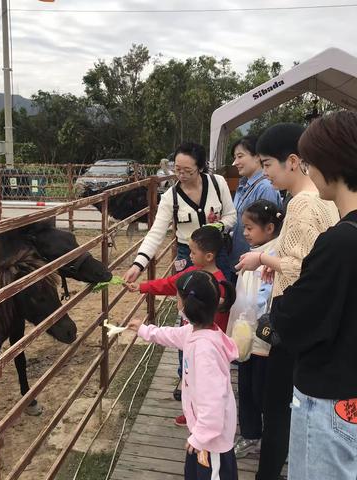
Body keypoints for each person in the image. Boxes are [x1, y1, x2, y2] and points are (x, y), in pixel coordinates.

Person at [235, 123, 340, 480]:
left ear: (292, 161)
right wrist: (276, 264)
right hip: (317, 324)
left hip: (291, 322)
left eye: (267, 164)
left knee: (275, 408)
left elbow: (299, 268)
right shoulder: (325, 203)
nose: (265, 173)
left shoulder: (300, 205)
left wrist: (264, 260)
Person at [269, 111, 357, 480]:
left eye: (309, 161)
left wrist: (279, 306)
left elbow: (292, 319)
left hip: (329, 399)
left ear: (329, 162)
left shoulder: (341, 242)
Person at [127, 270, 238, 480]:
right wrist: (144, 330)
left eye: (177, 298)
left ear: (188, 305)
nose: (177, 303)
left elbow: (213, 402)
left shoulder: (205, 352)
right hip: (201, 433)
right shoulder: (195, 332)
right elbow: (169, 335)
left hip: (212, 442)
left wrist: (200, 437)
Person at [123, 141, 236, 283]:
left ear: (200, 167)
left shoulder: (218, 183)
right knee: (189, 298)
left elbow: (231, 216)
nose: (181, 175)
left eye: (188, 171)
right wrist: (138, 265)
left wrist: (217, 226)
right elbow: (155, 233)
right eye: (177, 169)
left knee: (221, 297)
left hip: (216, 254)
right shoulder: (170, 197)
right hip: (188, 256)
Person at [229, 199, 283, 459]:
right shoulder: (253, 254)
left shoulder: (275, 255)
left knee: (263, 392)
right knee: (247, 388)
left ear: (270, 228)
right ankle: (250, 435)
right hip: (244, 335)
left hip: (264, 340)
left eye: (250, 228)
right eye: (244, 228)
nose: (245, 233)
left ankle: (273, 440)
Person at [229, 136, 282, 284]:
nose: (236, 162)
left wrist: (262, 260)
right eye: (234, 157)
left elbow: (268, 232)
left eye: (240, 156)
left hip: (257, 268)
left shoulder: (265, 187)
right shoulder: (244, 185)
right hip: (242, 259)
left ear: (257, 156)